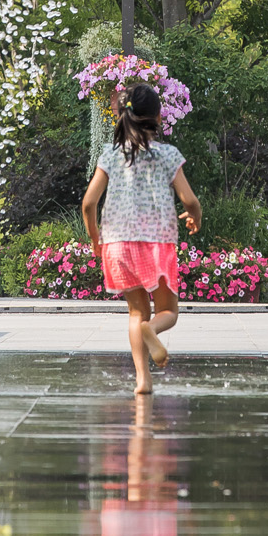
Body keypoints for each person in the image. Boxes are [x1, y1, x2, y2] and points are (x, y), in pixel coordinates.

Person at [81, 83, 203, 395]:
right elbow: (189, 200)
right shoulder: (167, 155)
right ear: (159, 117)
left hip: (118, 243)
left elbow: (89, 203)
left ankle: (142, 380)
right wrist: (195, 216)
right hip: (157, 242)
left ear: (122, 116)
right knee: (168, 313)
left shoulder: (109, 155)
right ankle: (153, 330)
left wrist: (96, 238)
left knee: (136, 313)